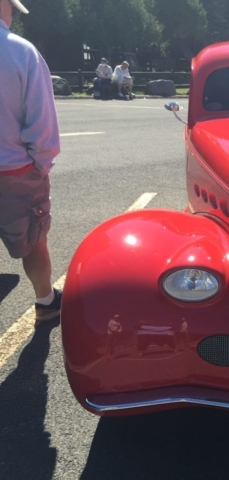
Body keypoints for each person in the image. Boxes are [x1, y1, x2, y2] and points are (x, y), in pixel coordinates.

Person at [0, 0, 62, 321]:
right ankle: (46, 300)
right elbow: (42, 126)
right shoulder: (21, 53)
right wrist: (42, 165)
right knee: (34, 241)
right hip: (14, 171)